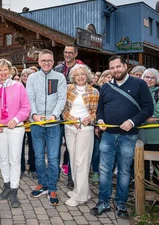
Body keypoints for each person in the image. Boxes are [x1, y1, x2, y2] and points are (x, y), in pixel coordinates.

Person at [90, 55, 153, 218]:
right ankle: (103, 202)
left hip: (128, 136)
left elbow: (148, 109)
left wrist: (132, 121)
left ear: (125, 66)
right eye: (112, 67)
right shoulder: (105, 87)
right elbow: (100, 109)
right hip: (108, 135)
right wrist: (101, 120)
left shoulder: (139, 84)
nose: (115, 70)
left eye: (118, 66)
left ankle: (121, 204)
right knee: (104, 170)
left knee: (124, 171)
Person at [0, 59, 30, 208]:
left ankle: (14, 190)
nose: (3, 73)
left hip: (15, 128)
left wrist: (16, 119)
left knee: (15, 159)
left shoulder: (18, 87)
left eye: (6, 70)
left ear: (11, 71)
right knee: (3, 158)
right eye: (0, 70)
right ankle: (6, 184)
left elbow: (26, 107)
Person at [27, 49, 67, 206]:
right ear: (38, 62)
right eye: (43, 60)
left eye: (49, 60)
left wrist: (54, 116)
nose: (46, 63)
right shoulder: (32, 78)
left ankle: (52, 187)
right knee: (38, 157)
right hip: (37, 123)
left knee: (53, 157)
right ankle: (43, 184)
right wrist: (34, 115)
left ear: (53, 61)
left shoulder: (60, 77)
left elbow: (61, 99)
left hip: (53, 124)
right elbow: (29, 98)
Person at [62, 64, 99, 207]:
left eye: (83, 74)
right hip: (69, 127)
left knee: (82, 162)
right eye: (77, 75)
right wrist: (70, 119)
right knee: (73, 159)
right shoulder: (67, 89)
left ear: (87, 75)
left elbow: (96, 112)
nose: (80, 77)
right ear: (73, 77)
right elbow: (63, 109)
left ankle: (80, 196)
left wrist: (89, 119)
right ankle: (80, 190)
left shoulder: (94, 91)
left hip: (85, 129)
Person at [54, 44, 83, 189]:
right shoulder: (58, 69)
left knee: (73, 148)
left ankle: (71, 176)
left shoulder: (81, 70)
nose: (67, 55)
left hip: (74, 112)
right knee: (56, 146)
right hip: (59, 112)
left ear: (76, 54)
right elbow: (52, 90)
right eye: (65, 52)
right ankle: (55, 174)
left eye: (70, 52)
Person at [141, 68, 159, 184]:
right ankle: (145, 190)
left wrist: (140, 118)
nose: (149, 79)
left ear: (157, 80)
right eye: (147, 77)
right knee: (143, 166)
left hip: (157, 136)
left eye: (152, 77)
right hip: (141, 136)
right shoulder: (138, 92)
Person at [20, 69, 37, 179]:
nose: (25, 77)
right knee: (19, 148)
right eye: (24, 75)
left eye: (28, 75)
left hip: (32, 122)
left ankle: (33, 167)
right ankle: (21, 168)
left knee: (33, 147)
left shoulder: (35, 87)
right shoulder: (18, 88)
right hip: (21, 122)